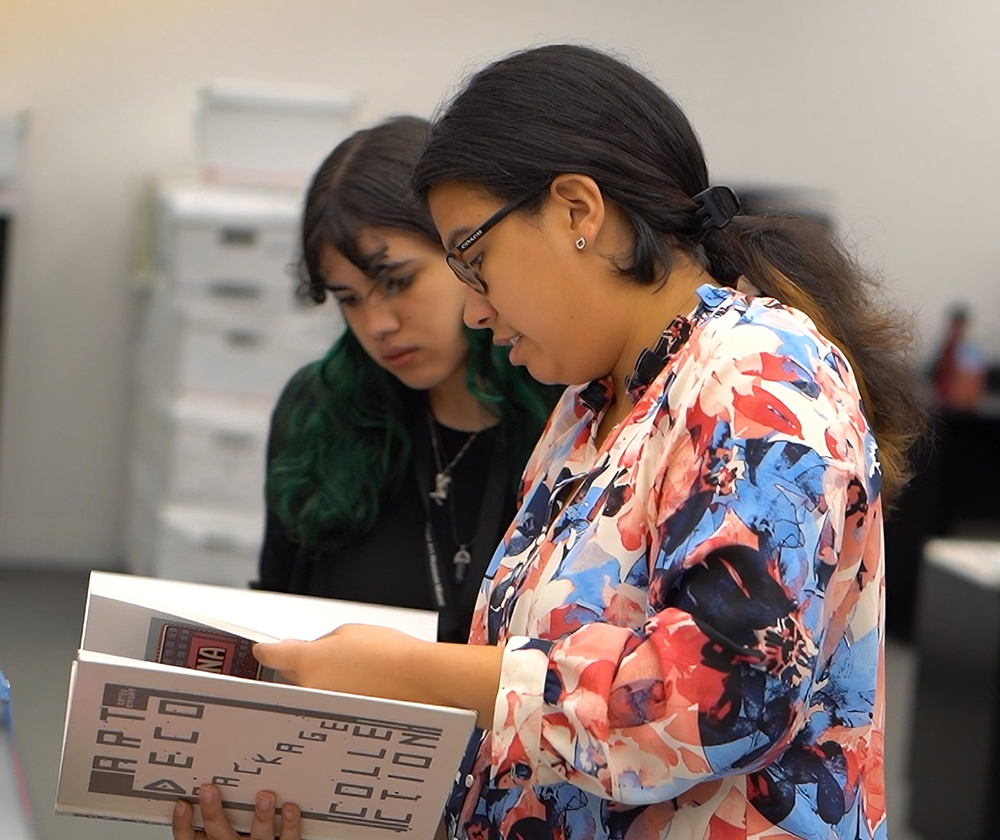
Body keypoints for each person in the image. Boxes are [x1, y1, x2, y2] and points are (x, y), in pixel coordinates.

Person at [177, 44, 925, 840]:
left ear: (577, 211)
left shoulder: (760, 374)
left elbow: (726, 696)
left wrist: (413, 674)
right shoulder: (595, 402)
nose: (474, 311)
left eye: (474, 258)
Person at [254, 116, 558, 644]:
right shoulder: (319, 410)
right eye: (348, 299)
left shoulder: (571, 405)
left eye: (397, 282)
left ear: (466, 253)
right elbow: (274, 614)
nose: (377, 325)